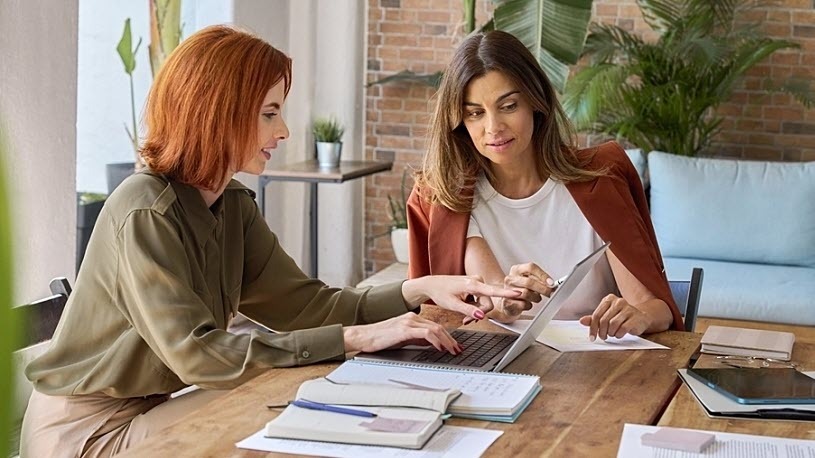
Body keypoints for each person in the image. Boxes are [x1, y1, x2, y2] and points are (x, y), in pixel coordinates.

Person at [20, 25, 520, 458]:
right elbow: (197, 356)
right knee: (291, 393)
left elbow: (305, 307)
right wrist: (354, 339)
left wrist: (419, 290)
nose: (283, 130)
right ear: (217, 112)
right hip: (87, 434)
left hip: (147, 411)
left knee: (301, 385)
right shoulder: (145, 211)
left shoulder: (232, 204)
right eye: (268, 113)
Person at [407, 30, 684, 341]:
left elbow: (655, 307)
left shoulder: (600, 177)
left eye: (509, 106)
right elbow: (494, 305)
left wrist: (638, 316)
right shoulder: (448, 199)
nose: (493, 128)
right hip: (504, 368)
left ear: (535, 103)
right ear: (458, 121)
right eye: (475, 113)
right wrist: (509, 305)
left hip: (601, 365)